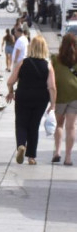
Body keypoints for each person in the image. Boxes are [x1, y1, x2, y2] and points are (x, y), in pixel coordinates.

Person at [6, 36, 57, 165]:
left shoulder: (23, 62)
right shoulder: (47, 65)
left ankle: (21, 145)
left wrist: (11, 92)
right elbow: (52, 87)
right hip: (40, 99)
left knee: (21, 123)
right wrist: (53, 104)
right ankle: (31, 157)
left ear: (31, 47)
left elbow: (10, 81)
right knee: (34, 126)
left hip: (23, 96)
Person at [52, 33, 77, 166]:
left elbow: (51, 77)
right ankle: (68, 158)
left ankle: (57, 152)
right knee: (71, 127)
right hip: (75, 95)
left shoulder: (55, 59)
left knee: (59, 124)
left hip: (60, 94)